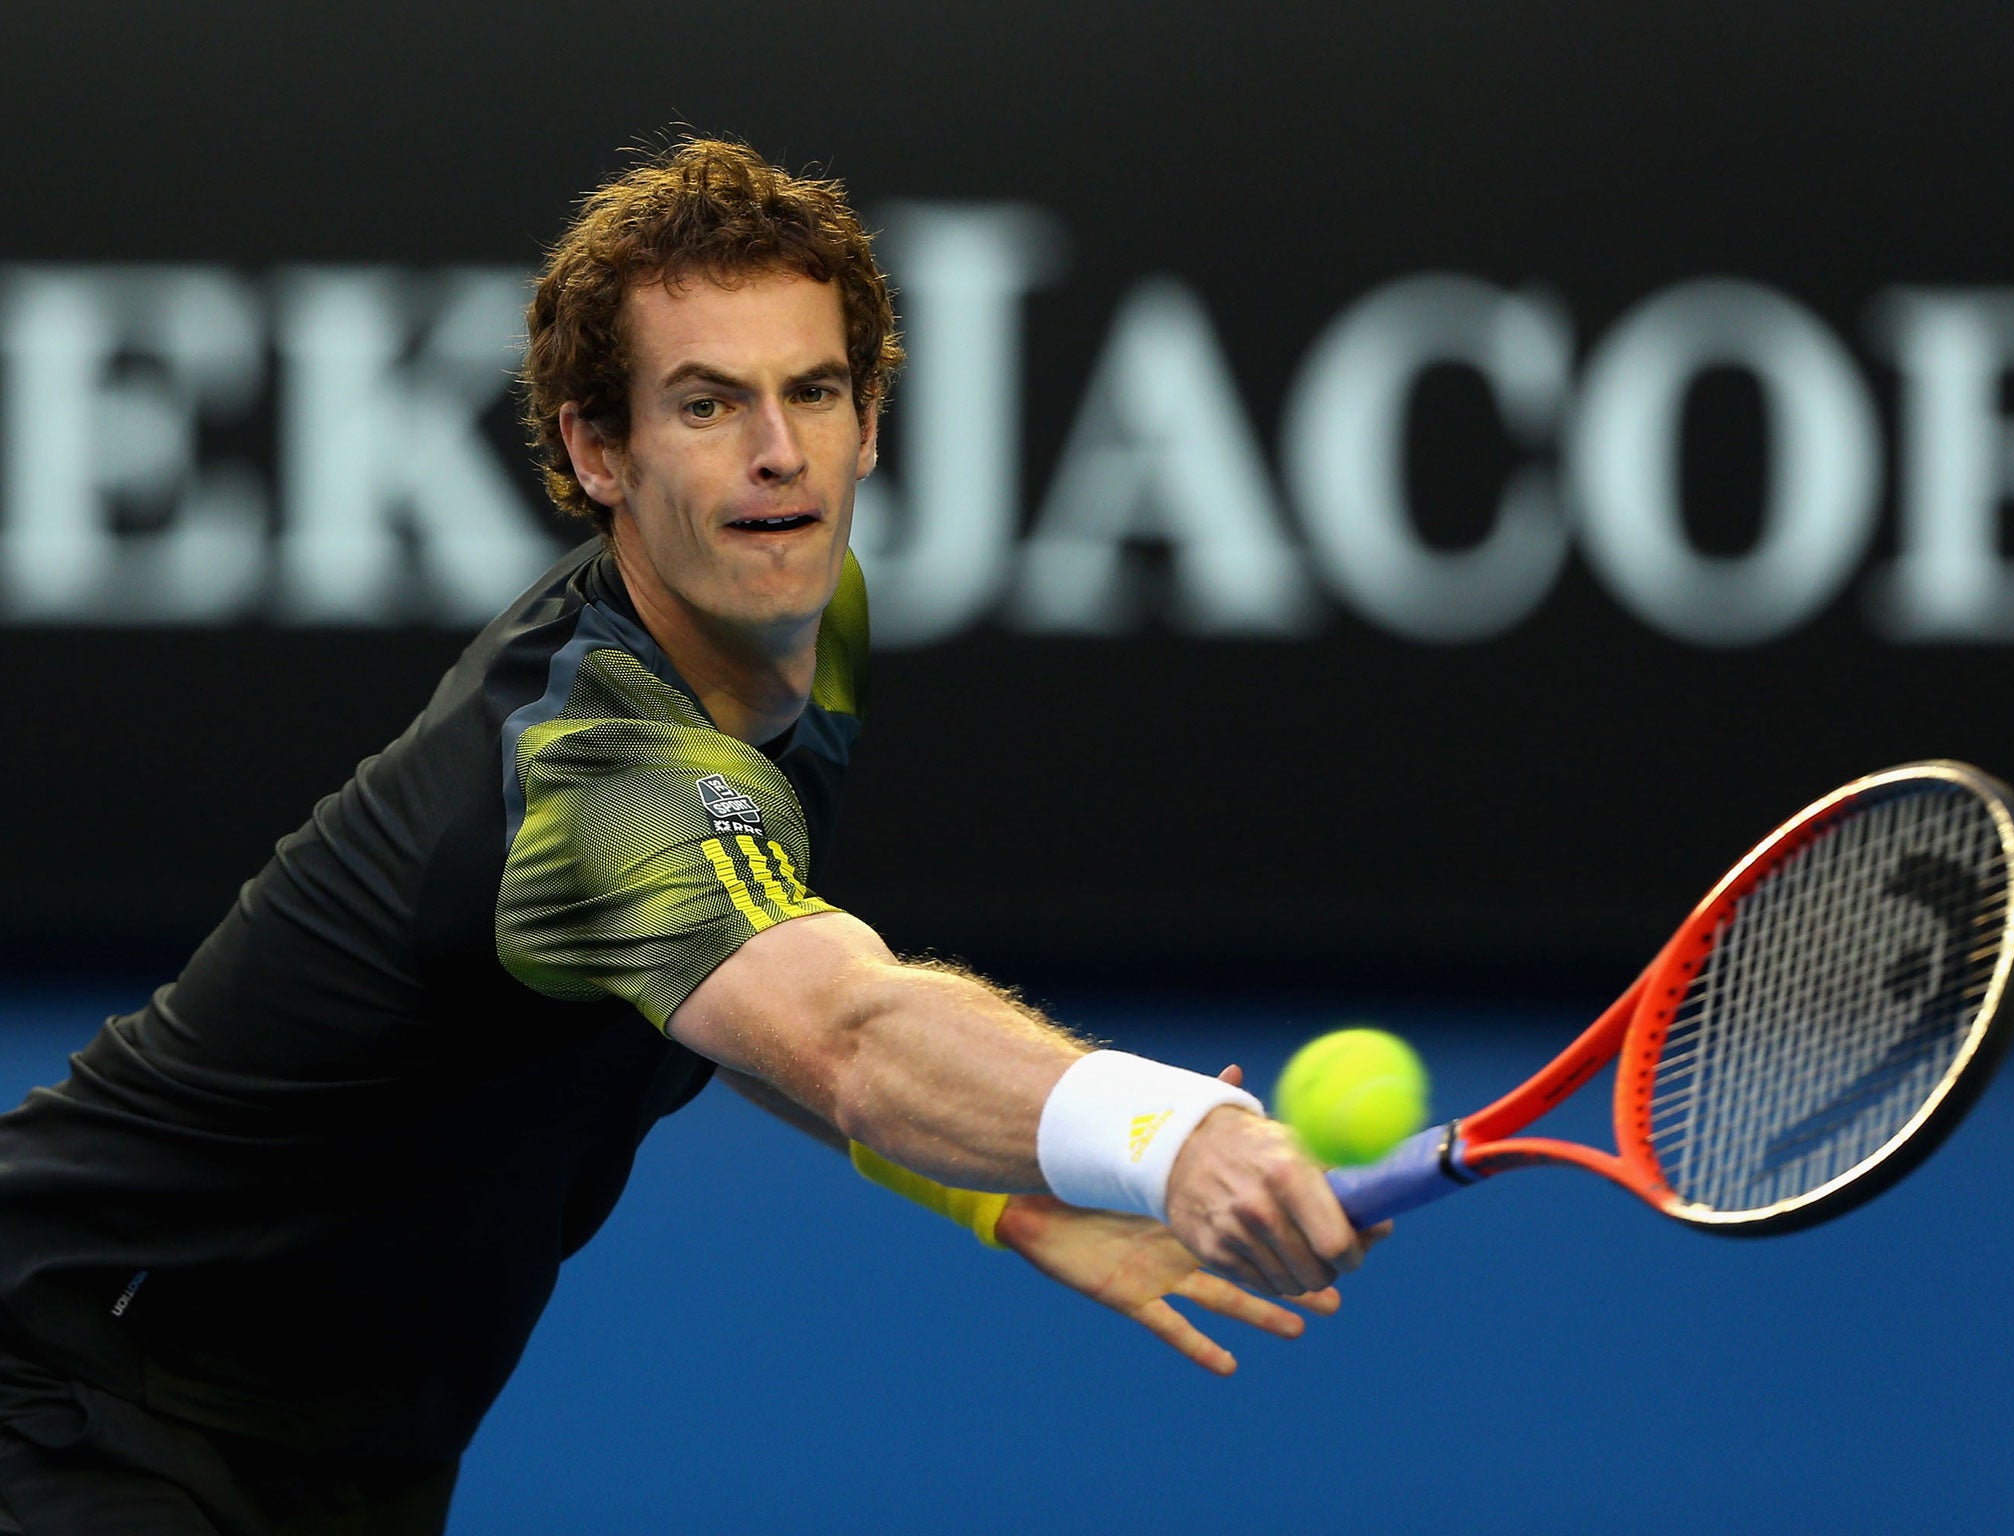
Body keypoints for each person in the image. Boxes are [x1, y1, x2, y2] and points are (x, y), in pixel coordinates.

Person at [0, 136, 1379, 1534]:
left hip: (335, 1456)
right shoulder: (593, 770)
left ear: (870, 421)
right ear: (598, 451)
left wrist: (1007, 1197)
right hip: (71, 1394)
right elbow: (845, 1030)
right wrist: (1164, 1135)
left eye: (814, 392)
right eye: (708, 404)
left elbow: (743, 1006)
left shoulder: (810, 622)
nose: (778, 453)